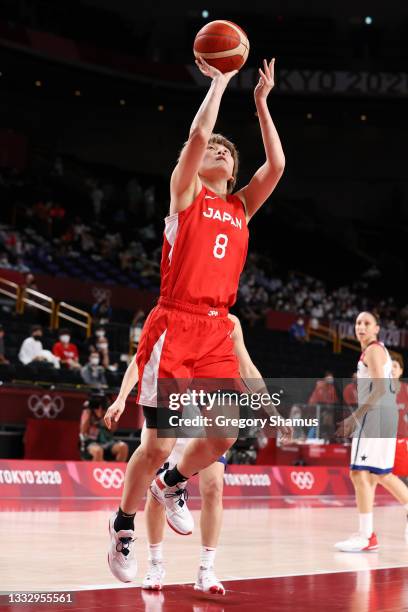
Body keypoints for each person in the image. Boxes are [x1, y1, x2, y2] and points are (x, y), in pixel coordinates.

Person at [105, 55, 285, 584]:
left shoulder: (241, 209)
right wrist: (223, 83)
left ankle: (171, 482)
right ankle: (122, 525)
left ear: (233, 168)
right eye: (212, 146)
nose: (218, 149)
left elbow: (275, 168)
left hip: (216, 327)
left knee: (226, 431)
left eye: (227, 150)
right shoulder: (186, 196)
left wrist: (261, 104)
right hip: (175, 322)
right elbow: (197, 134)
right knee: (157, 440)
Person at [104, 314, 291, 592]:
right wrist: (121, 398)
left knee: (214, 488)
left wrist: (270, 410)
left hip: (208, 412)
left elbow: (248, 368)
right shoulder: (174, 313)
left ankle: (206, 570)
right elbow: (141, 360)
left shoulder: (230, 323)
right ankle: (155, 564)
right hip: (172, 407)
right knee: (157, 492)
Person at [335, 312, 408, 552]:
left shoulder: (374, 350)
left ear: (377, 328)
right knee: (377, 474)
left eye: (367, 323)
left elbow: (377, 389)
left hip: (374, 418)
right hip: (382, 417)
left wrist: (354, 418)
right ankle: (367, 535)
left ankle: (367, 536)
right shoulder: (376, 351)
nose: (361, 327)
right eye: (358, 323)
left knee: (360, 474)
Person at [79, 392, 128, 462]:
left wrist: (105, 415)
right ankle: (96, 472)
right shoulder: (88, 412)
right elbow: (83, 431)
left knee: (123, 447)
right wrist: (88, 410)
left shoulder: (109, 411)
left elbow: (113, 429)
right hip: (90, 443)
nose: (99, 407)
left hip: (107, 442)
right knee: (98, 451)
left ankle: (114, 471)